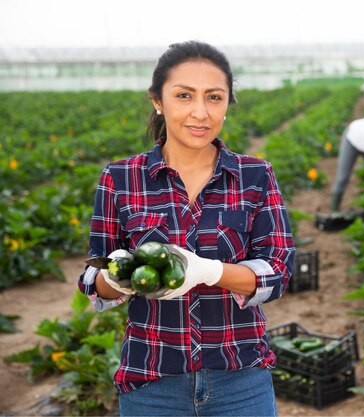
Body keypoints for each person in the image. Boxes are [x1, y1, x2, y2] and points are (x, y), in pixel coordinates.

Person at [78, 40, 295, 417]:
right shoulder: (119, 178)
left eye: (214, 97)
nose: (200, 112)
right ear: (158, 101)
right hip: (151, 382)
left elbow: (277, 272)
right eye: (183, 96)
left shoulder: (255, 175)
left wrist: (209, 272)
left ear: (228, 103)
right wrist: (117, 276)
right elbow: (91, 280)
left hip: (240, 381)